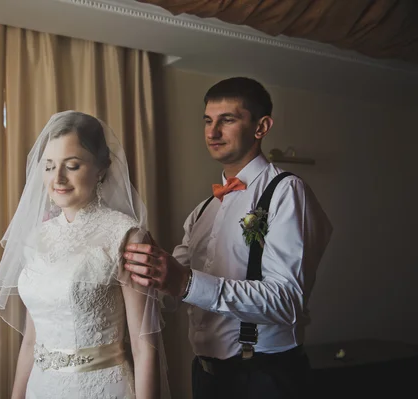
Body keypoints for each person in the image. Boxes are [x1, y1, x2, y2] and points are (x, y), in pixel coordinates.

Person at [123, 77, 332, 399]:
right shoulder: (203, 210)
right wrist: (148, 270)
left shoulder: (287, 191)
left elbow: (287, 301)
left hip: (265, 377)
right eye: (208, 121)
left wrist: (185, 283)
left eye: (227, 120)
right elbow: (170, 297)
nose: (212, 132)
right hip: (207, 377)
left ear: (261, 127)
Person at [0, 111, 170, 399]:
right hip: (42, 387)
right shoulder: (36, 238)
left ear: (101, 169)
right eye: (49, 166)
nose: (58, 178)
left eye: (72, 165)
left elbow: (143, 345)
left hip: (101, 388)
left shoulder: (126, 236)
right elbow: (30, 342)